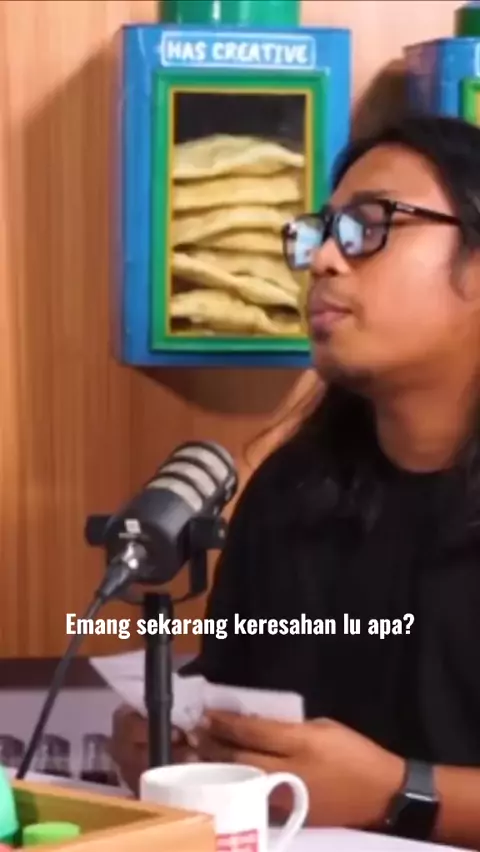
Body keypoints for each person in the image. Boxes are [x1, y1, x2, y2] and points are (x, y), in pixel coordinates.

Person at [110, 114, 480, 848]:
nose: (324, 262)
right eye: (322, 232)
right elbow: (236, 708)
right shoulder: (293, 493)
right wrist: (185, 753)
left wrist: (400, 794)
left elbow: (382, 791)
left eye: (369, 227)